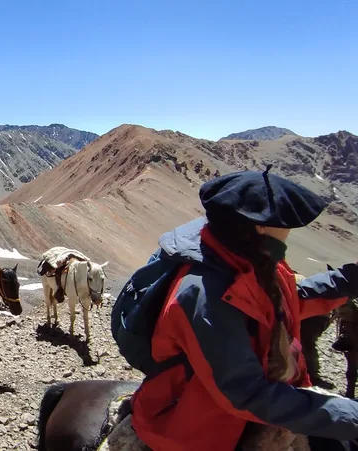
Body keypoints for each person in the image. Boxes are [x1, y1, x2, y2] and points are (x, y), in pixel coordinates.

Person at [121, 167, 358, 451]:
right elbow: (244, 392)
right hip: (198, 427)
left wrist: (348, 280)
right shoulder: (203, 294)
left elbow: (284, 303)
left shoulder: (251, 261)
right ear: (260, 227)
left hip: (244, 405)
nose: (289, 232)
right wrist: (351, 416)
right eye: (285, 223)